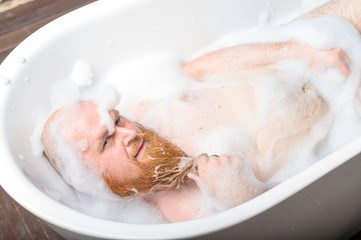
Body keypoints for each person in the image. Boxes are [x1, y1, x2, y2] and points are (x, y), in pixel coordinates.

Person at [41, 0, 358, 222]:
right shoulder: (183, 213)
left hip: (318, 56)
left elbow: (205, 66)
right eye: (106, 141)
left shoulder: (150, 105)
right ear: (86, 178)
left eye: (117, 120)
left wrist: (298, 49)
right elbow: (294, 221)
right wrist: (245, 197)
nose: (128, 131)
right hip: (349, 110)